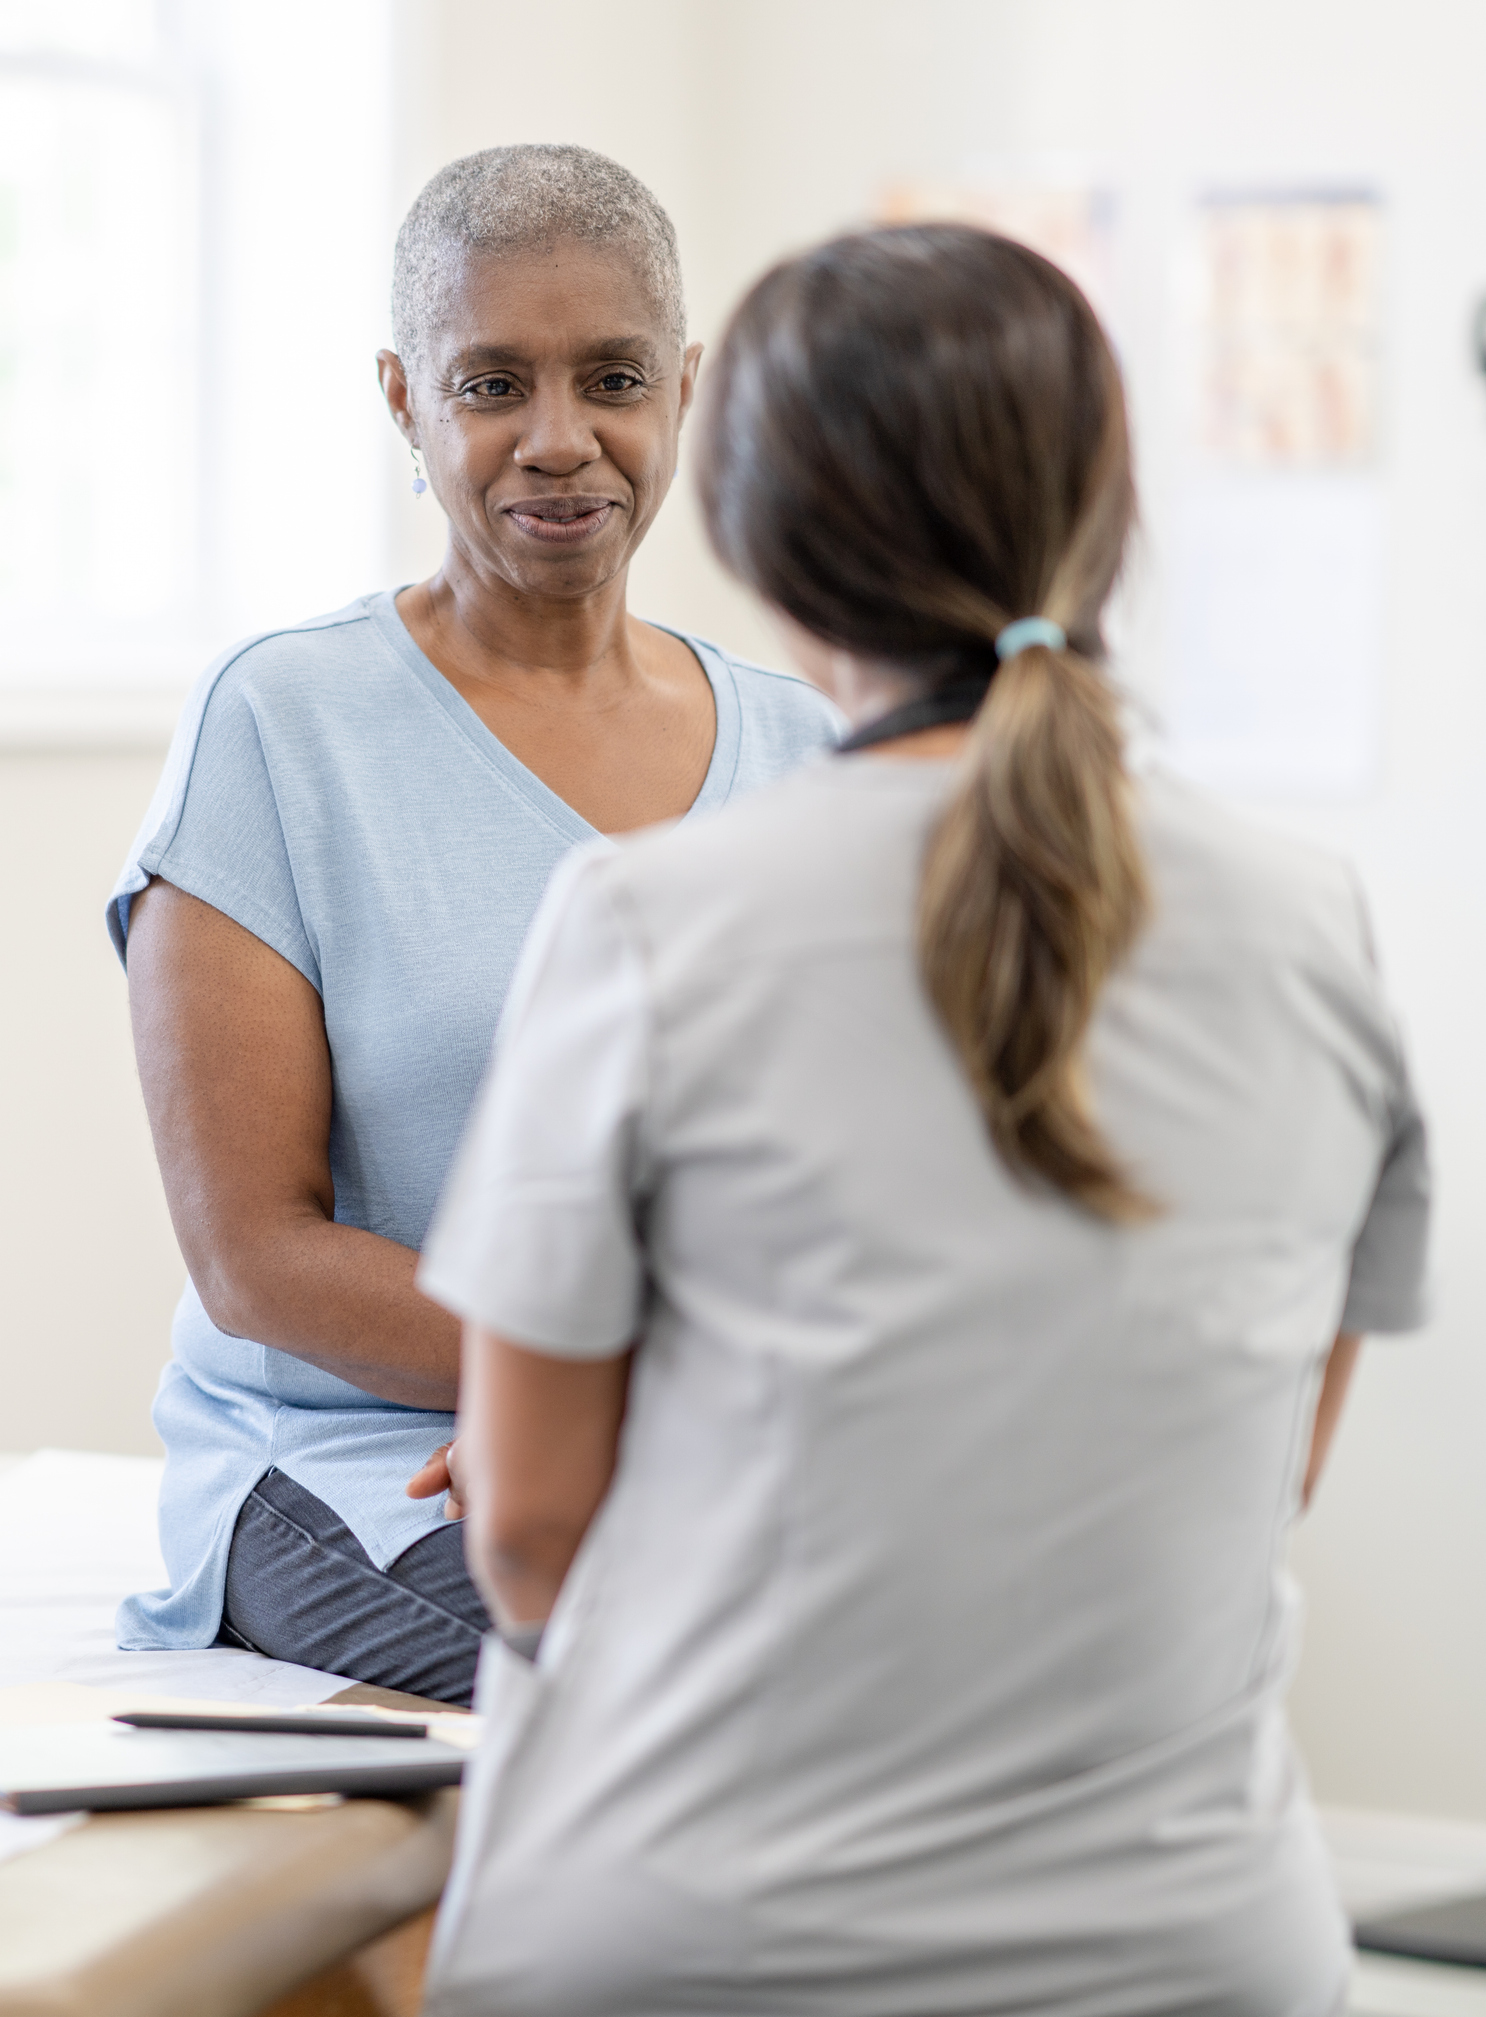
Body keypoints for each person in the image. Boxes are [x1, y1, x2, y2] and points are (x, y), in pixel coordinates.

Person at [415, 225, 1430, 2014]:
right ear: (1108, 516)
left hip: (712, 1948)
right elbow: (1266, 1466)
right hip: (1197, 1955)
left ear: (753, 531)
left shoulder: (647, 923)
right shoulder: (1312, 919)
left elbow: (524, 1531)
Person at [107, 145, 840, 1708]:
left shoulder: (804, 746)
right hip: (356, 1459)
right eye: (492, 382)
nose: (559, 441)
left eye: (614, 378)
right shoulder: (279, 726)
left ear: (685, 385)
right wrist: (610, 1379)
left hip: (702, 1435)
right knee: (683, 1685)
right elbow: (255, 1257)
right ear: (403, 397)